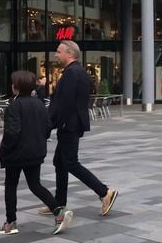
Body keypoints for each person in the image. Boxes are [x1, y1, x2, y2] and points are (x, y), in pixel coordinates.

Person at [37, 40, 118, 216]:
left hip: (69, 125)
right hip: (71, 124)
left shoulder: (72, 73)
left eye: (59, 52)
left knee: (70, 163)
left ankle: (104, 192)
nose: (56, 55)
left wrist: (51, 125)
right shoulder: (76, 72)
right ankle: (59, 203)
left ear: (70, 54)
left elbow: (63, 104)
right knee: (60, 162)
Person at [0, 71, 74, 235]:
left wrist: (4, 152)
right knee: (35, 185)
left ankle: (10, 222)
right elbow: (47, 128)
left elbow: (12, 133)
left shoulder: (14, 106)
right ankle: (58, 212)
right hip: (35, 152)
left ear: (15, 87)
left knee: (11, 186)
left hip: (16, 154)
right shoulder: (39, 104)